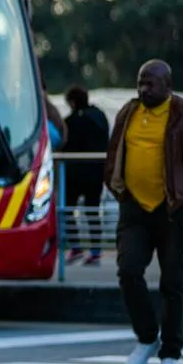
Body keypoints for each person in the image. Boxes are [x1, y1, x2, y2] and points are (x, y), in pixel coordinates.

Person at [103, 60, 183, 364]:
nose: (143, 89)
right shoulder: (129, 111)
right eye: (140, 83)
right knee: (128, 271)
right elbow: (114, 151)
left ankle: (171, 352)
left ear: (167, 85)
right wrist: (116, 185)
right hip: (134, 206)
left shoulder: (181, 113)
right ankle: (148, 337)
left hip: (172, 207)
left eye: (150, 84)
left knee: (173, 282)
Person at [62, 85, 111, 265]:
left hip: (75, 174)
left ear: (73, 103)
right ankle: (96, 251)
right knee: (92, 211)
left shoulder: (70, 121)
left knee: (67, 209)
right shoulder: (100, 117)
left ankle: (75, 248)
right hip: (97, 172)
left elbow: (64, 144)